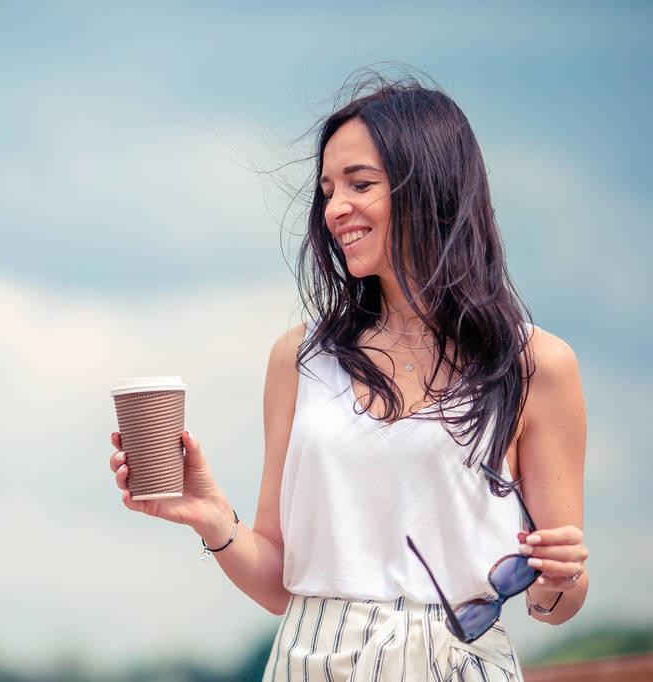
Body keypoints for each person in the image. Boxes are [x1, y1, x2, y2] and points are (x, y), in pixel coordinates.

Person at [108, 70, 588, 681]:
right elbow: (285, 585)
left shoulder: (536, 365)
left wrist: (562, 573)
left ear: (432, 187)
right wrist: (209, 513)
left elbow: (554, 604)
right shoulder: (299, 358)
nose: (336, 209)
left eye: (360, 184)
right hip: (314, 661)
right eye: (328, 189)